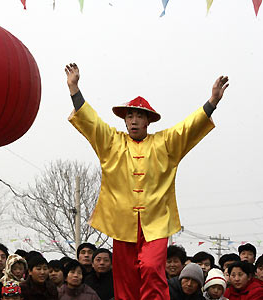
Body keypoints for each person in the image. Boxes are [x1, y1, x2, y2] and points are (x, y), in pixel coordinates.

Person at [65, 62, 229, 300]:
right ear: (124, 120)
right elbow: (91, 123)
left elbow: (188, 128)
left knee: (152, 268)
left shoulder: (164, 144)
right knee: (125, 279)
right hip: (122, 224)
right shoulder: (112, 143)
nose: (133, 120)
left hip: (155, 223)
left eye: (138, 116)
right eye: (129, 115)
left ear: (147, 121)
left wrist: (212, 102)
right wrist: (74, 89)